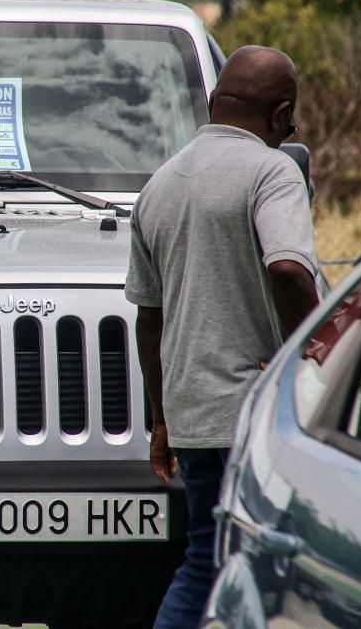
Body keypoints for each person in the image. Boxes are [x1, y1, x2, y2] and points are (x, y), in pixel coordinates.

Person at [125, 45, 320, 629]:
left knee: (208, 559)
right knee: (265, 568)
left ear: (214, 102)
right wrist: (307, 361)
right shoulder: (273, 169)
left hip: (192, 418)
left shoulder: (158, 185)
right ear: (282, 115)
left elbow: (148, 319)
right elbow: (288, 268)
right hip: (255, 417)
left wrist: (160, 420)